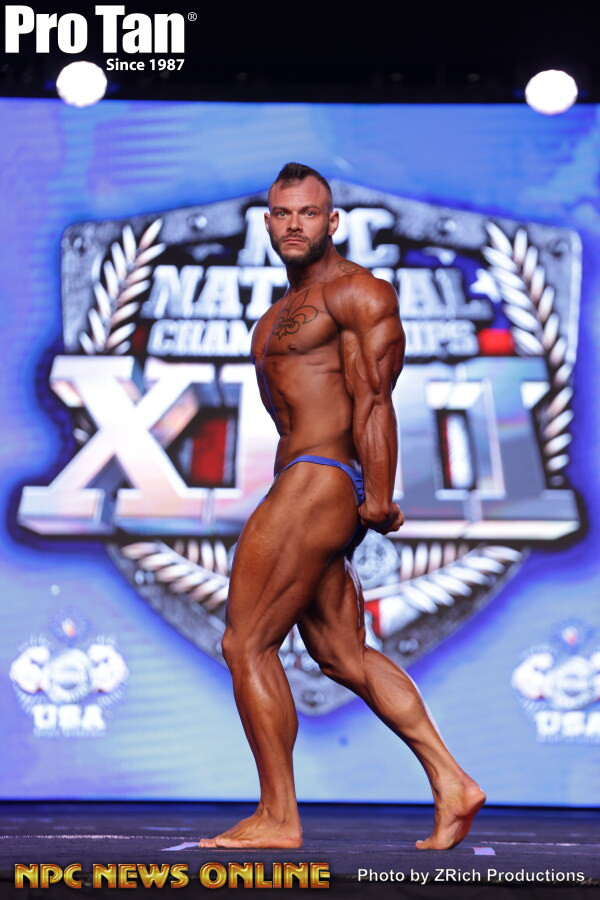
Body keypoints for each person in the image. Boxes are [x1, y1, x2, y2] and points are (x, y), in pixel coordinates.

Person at [198, 163, 485, 850]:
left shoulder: (357, 292)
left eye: (308, 212)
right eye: (282, 213)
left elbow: (374, 398)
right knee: (341, 654)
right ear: (268, 222)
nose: (294, 224)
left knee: (246, 643)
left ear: (332, 222)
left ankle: (278, 816)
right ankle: (453, 782)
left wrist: (378, 494)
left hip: (320, 478)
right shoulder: (273, 318)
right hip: (305, 478)